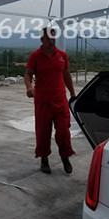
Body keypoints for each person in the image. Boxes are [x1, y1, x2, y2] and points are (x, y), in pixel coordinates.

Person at [24, 27, 76, 175]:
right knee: (43, 132)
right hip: (43, 102)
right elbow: (28, 74)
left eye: (53, 37)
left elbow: (66, 75)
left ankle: (65, 157)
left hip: (60, 101)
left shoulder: (62, 56)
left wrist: (72, 93)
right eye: (48, 38)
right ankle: (44, 158)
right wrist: (29, 87)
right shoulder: (35, 56)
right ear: (42, 39)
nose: (51, 41)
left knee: (63, 131)